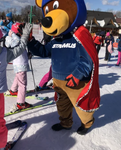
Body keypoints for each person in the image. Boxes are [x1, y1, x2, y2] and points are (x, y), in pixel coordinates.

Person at [29, 0, 100, 135]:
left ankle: (87, 123)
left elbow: (88, 59)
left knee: (81, 106)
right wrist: (31, 42)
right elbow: (44, 51)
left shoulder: (79, 36)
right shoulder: (56, 39)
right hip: (58, 81)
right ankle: (66, 123)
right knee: (62, 105)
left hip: (75, 81)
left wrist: (77, 75)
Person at [4, 22, 33, 113]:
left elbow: (21, 49)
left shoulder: (13, 38)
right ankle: (21, 103)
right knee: (23, 84)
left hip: (18, 63)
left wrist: (27, 54)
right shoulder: (13, 39)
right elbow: (18, 43)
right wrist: (13, 34)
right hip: (20, 64)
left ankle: (13, 90)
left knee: (18, 78)